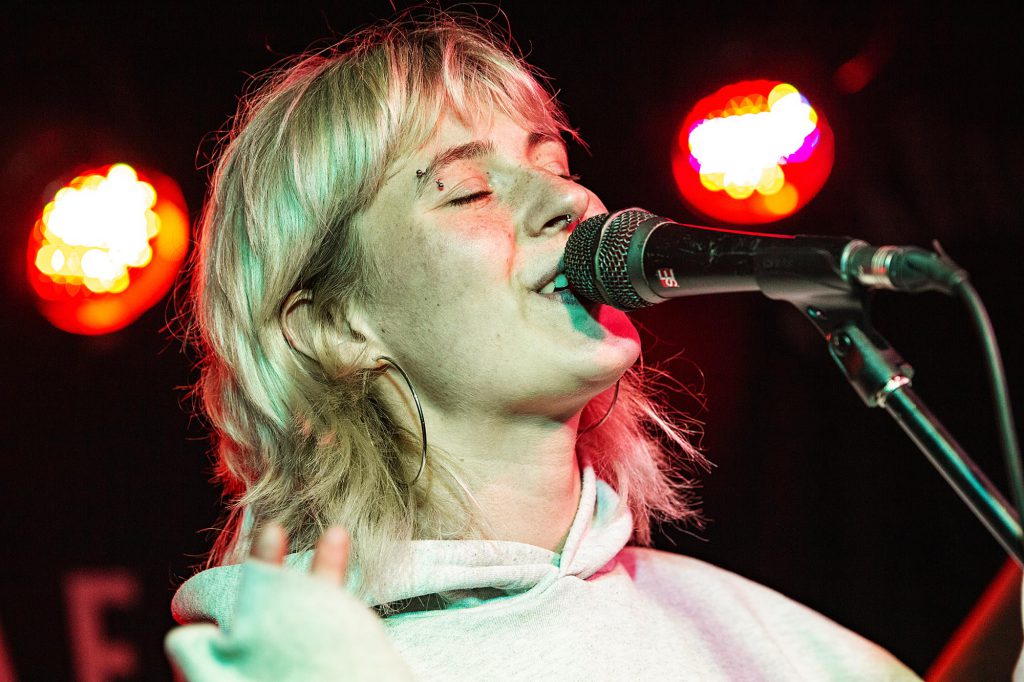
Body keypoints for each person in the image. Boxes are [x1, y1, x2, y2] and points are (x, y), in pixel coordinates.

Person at [165, 11, 921, 680]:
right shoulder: (291, 663)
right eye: (469, 190)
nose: (572, 199)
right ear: (335, 325)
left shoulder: (770, 642)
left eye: (555, 165)